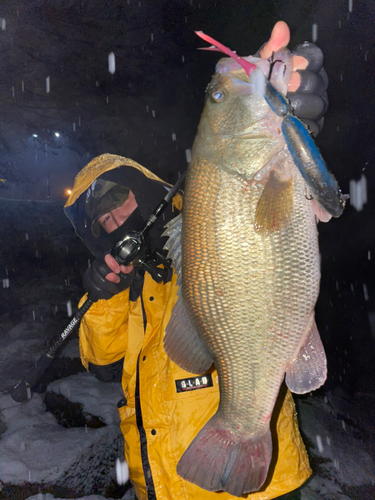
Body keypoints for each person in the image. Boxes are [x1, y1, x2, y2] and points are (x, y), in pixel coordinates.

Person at [64, 22, 328, 500]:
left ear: (142, 188)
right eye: (100, 217)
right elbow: (102, 364)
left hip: (261, 489)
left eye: (120, 197)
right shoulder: (124, 277)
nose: (113, 217)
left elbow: (304, 194)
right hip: (159, 482)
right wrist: (101, 295)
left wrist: (303, 141)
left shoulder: (197, 222)